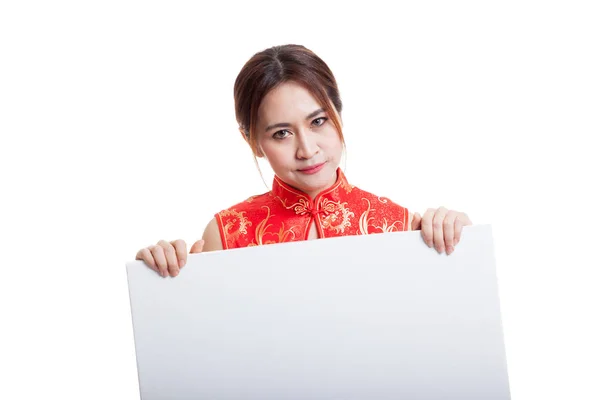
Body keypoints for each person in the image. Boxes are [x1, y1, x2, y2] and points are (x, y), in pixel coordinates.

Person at [136, 44, 472, 278]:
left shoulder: (400, 226)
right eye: (281, 133)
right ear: (252, 140)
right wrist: (161, 279)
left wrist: (463, 242)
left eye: (318, 121)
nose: (307, 149)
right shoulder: (226, 235)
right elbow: (203, 354)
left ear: (338, 114)